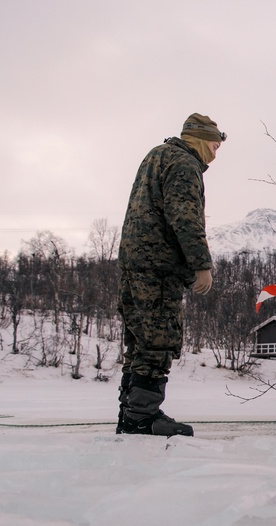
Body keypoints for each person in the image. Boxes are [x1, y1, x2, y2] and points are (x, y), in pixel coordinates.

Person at [116, 113, 225, 437]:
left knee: (139, 342)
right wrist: (200, 265)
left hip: (133, 263)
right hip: (158, 268)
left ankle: (131, 414)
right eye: (214, 146)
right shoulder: (184, 163)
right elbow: (185, 218)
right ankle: (142, 418)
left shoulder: (156, 155)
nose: (214, 154)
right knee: (159, 341)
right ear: (199, 139)